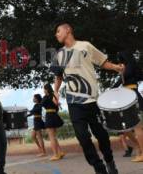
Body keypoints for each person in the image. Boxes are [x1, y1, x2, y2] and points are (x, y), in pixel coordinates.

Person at [51, 22, 123, 174]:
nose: (56, 34)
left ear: (68, 30)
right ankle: (99, 169)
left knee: (102, 136)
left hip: (92, 101)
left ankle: (109, 161)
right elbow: (58, 76)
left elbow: (103, 62)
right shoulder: (59, 55)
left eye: (58, 31)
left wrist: (116, 67)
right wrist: (56, 91)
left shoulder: (85, 46)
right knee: (83, 137)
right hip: (74, 102)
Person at [115, 50, 143, 162]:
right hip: (127, 96)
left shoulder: (128, 67)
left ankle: (142, 152)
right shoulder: (127, 67)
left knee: (137, 127)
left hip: (132, 95)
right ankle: (138, 147)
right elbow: (119, 82)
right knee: (125, 128)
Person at [42, 83, 65, 161]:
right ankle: (60, 152)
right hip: (54, 115)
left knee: (51, 137)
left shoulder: (46, 97)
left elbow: (42, 104)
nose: (43, 90)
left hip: (49, 115)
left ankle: (56, 155)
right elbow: (57, 107)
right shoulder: (54, 96)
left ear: (46, 89)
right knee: (54, 137)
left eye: (44, 89)